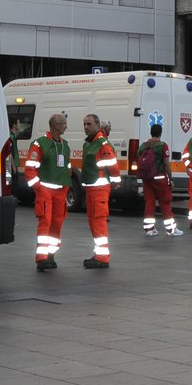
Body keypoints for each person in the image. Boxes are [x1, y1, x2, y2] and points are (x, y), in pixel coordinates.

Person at [24, 112, 71, 271]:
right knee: (45, 222)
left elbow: (67, 167)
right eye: (63, 123)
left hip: (60, 191)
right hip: (46, 191)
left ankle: (51, 255)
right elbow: (30, 168)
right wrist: (38, 188)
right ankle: (41, 258)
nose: (66, 126)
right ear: (55, 125)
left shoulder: (65, 145)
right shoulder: (40, 144)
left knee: (57, 223)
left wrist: (66, 185)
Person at [79, 113, 119, 268]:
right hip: (92, 188)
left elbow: (112, 164)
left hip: (99, 188)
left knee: (98, 221)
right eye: (84, 124)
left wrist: (115, 181)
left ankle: (102, 258)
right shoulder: (90, 143)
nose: (86, 127)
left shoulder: (102, 143)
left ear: (97, 125)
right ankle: (99, 254)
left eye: (89, 124)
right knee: (94, 222)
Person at [138, 123, 182, 236]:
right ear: (160, 133)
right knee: (165, 202)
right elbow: (166, 164)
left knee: (149, 202)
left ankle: (149, 229)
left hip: (147, 179)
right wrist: (170, 178)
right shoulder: (163, 146)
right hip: (160, 179)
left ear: (151, 132)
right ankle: (171, 230)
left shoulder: (143, 146)